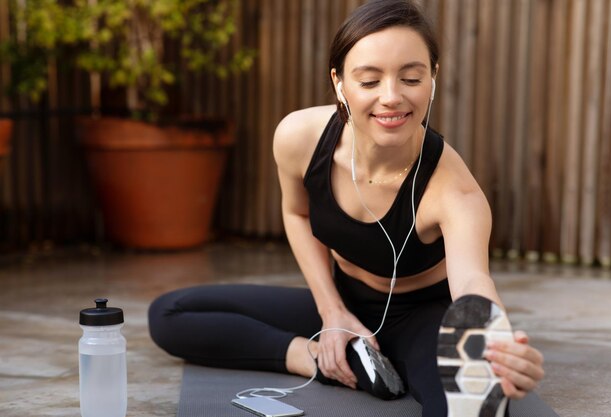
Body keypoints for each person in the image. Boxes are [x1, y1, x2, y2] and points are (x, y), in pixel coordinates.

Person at [149, 1, 553, 416]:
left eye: (411, 77)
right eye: (369, 80)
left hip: (421, 318)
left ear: (433, 77)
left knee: (472, 407)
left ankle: (380, 361)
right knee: (170, 313)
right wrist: (332, 312)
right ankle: (321, 360)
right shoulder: (299, 138)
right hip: (342, 299)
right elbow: (298, 213)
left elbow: (472, 282)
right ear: (339, 83)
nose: (392, 97)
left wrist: (499, 344)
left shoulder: (455, 190)